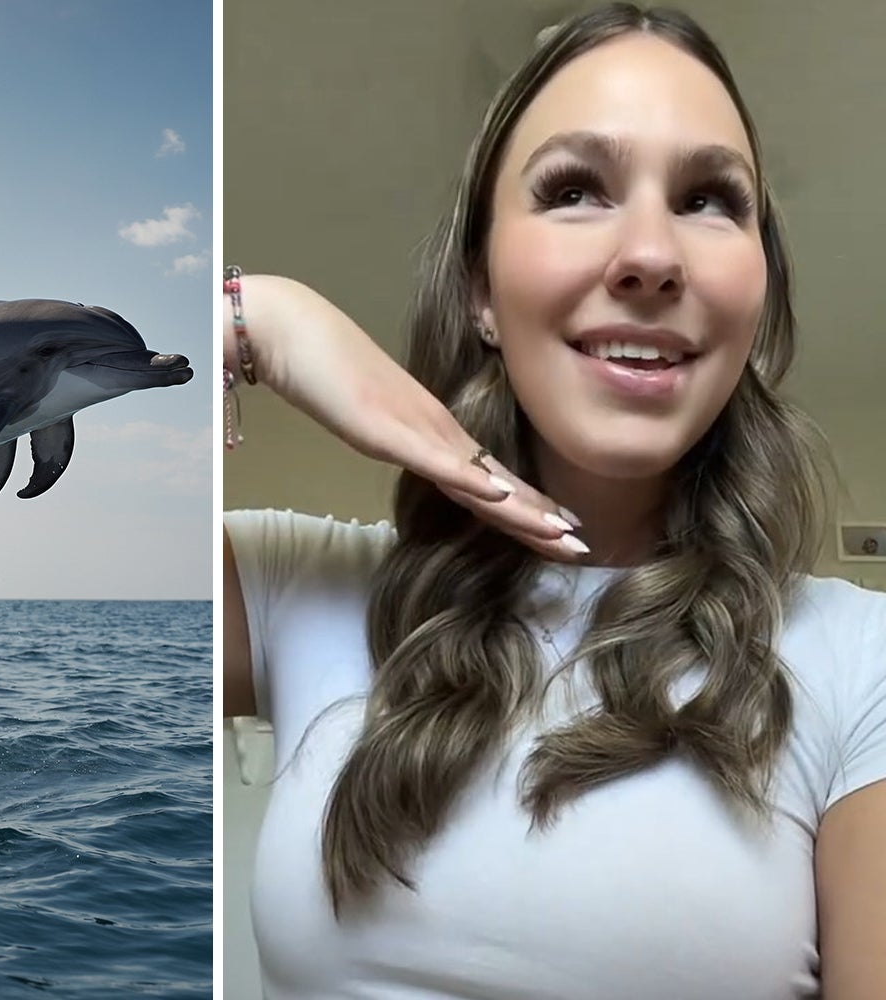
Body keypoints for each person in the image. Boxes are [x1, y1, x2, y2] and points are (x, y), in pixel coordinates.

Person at [220, 4, 884, 997]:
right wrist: (253, 318)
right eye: (574, 189)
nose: (650, 253)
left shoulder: (861, 655)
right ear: (479, 288)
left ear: (756, 292)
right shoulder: (289, 585)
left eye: (709, 199)